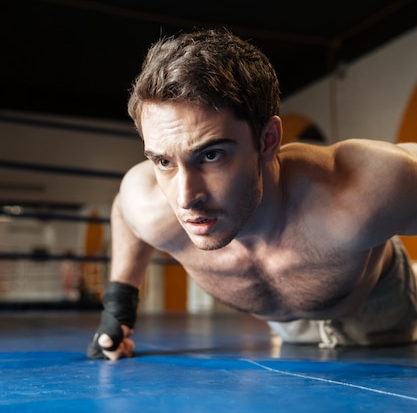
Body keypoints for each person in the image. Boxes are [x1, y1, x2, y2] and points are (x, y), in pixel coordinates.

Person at [87, 28, 417, 360]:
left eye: (211, 155)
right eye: (163, 161)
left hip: (381, 307)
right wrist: (119, 306)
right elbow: (125, 212)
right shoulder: (149, 203)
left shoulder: (356, 192)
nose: (185, 198)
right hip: (287, 328)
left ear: (268, 140)